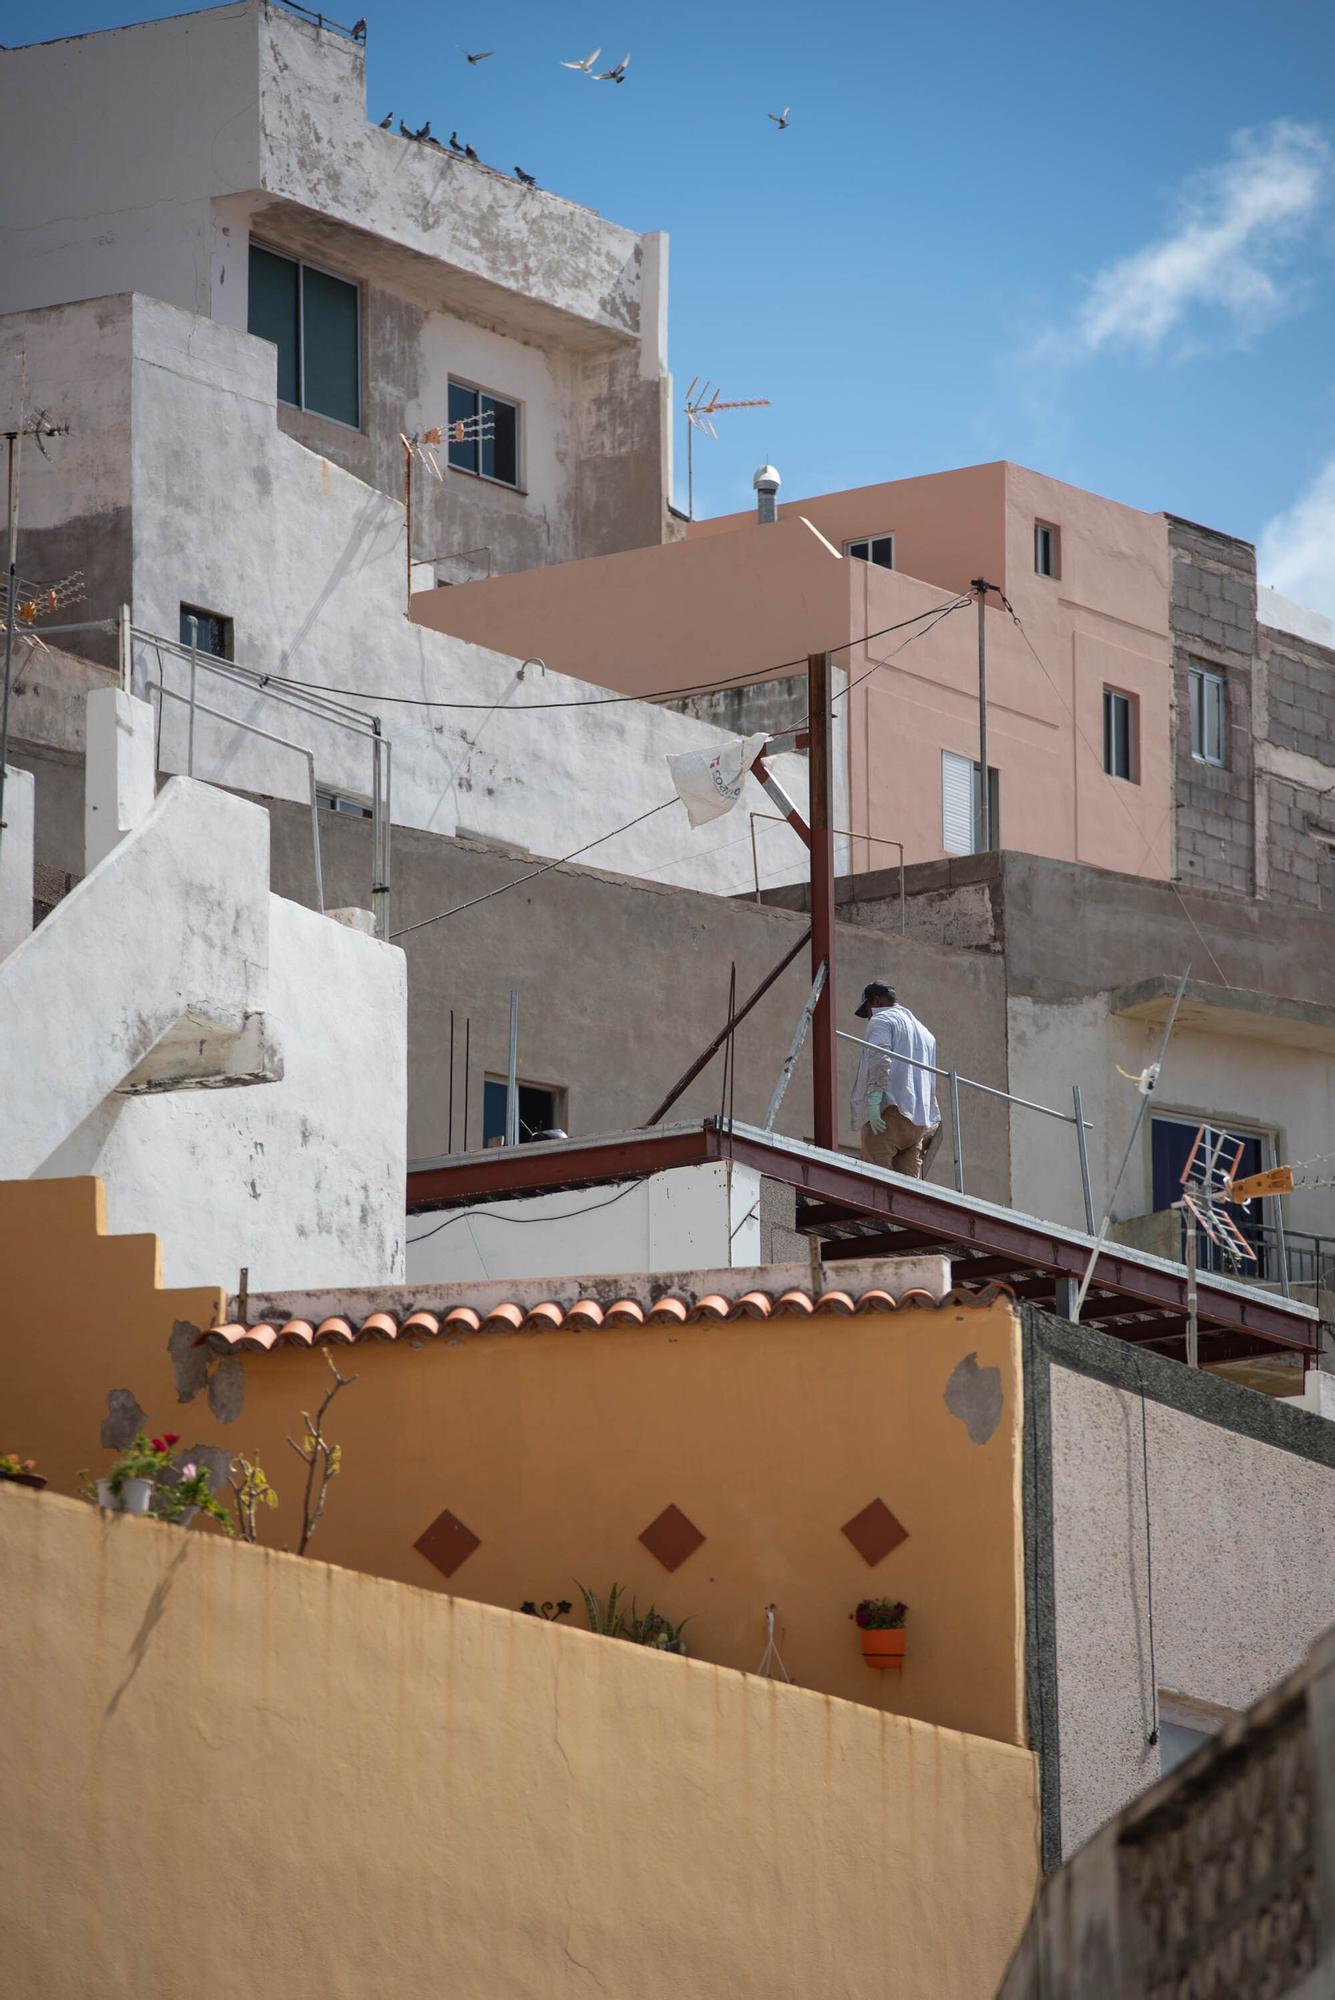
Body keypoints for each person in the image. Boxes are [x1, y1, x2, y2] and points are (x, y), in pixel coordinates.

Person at [849, 981, 938, 1177]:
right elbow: (930, 1078)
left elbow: (880, 1058)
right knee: (908, 1187)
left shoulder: (881, 1020)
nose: (869, 1018)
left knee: (876, 1177)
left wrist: (873, 1099)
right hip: (917, 1121)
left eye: (868, 1011)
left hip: (889, 1112)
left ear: (876, 1001)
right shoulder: (925, 1033)